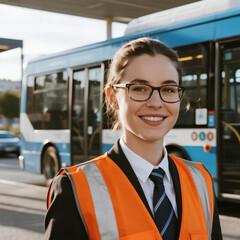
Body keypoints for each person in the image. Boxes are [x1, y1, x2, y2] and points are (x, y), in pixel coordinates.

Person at [45, 37, 222, 240]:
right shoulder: (73, 189)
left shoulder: (201, 180)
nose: (156, 103)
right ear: (112, 97)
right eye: (139, 88)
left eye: (168, 89)